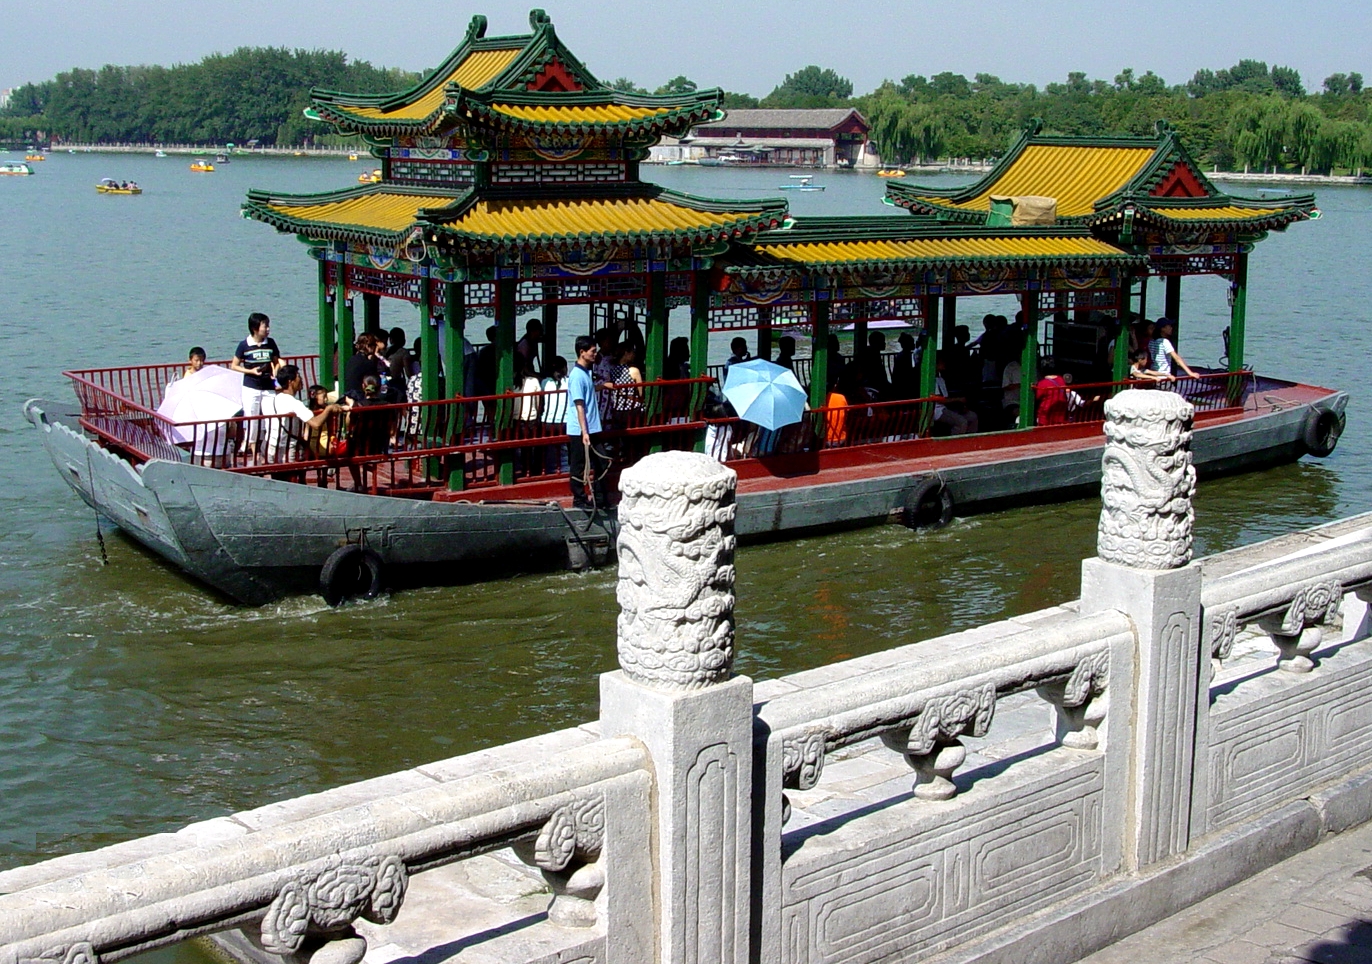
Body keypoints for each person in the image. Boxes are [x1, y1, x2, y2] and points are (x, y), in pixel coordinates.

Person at [260, 364, 343, 464]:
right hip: (287, 448)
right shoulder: (294, 403)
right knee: (290, 477)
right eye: (298, 376)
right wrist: (328, 409)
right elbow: (315, 423)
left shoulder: (273, 399)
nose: (301, 379)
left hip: (270, 445)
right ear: (290, 382)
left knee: (276, 478)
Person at [566, 335, 610, 511]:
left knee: (602, 462)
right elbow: (579, 405)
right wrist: (584, 432)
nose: (595, 354)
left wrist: (602, 387)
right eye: (592, 351)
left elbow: (589, 392)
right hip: (581, 429)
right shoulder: (576, 376)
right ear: (582, 352)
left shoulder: (586, 372)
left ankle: (599, 499)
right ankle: (579, 499)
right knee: (579, 466)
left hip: (592, 426)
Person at [230, 312, 281, 456]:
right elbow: (234, 365)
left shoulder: (270, 343)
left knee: (271, 416)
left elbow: (276, 362)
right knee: (252, 418)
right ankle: (253, 449)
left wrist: (274, 374)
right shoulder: (244, 345)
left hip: (268, 386)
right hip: (251, 386)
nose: (268, 329)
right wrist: (251, 371)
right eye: (265, 326)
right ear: (255, 328)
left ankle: (268, 446)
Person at [933, 355, 979, 435]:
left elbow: (947, 397)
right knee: (962, 422)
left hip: (947, 408)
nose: (944, 364)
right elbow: (940, 400)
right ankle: (954, 444)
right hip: (938, 410)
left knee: (972, 416)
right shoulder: (932, 380)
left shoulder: (941, 379)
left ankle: (969, 441)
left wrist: (961, 406)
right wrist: (958, 399)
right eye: (941, 362)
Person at [541, 355, 569, 474]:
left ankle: (545, 467)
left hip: (547, 422)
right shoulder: (569, 382)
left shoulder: (545, 382)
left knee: (547, 447)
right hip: (565, 422)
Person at [344, 333, 381, 398]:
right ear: (367, 346)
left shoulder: (352, 359)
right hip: (360, 396)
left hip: (349, 393)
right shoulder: (367, 363)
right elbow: (375, 380)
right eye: (374, 345)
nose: (375, 347)